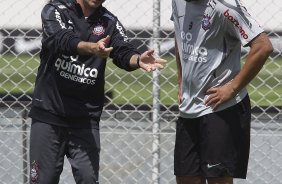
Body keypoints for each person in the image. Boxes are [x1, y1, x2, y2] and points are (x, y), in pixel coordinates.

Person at [28, 0, 166, 183]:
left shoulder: (109, 21)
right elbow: (60, 39)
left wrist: (138, 59)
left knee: (88, 179)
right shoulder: (56, 9)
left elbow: (122, 50)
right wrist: (92, 48)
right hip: (49, 113)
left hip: (85, 118)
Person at [171, 0, 273, 183]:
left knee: (218, 179)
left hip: (221, 107)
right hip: (188, 107)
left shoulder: (224, 7)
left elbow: (263, 46)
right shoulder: (178, 2)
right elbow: (180, 33)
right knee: (186, 178)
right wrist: (181, 79)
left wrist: (232, 88)